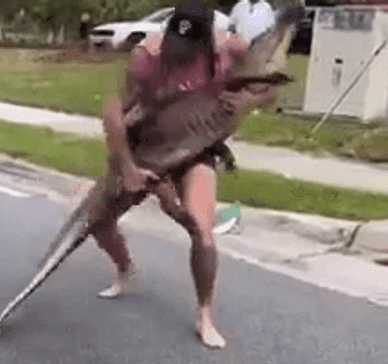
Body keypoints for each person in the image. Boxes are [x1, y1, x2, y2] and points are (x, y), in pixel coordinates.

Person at [88, 0, 282, 349]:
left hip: (195, 148)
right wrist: (132, 170)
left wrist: (250, 98)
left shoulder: (227, 49)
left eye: (192, 48)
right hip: (146, 147)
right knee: (98, 222)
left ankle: (204, 313)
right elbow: (115, 116)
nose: (182, 55)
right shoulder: (146, 57)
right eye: (177, 45)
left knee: (201, 228)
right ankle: (126, 268)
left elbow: (266, 78)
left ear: (210, 42)